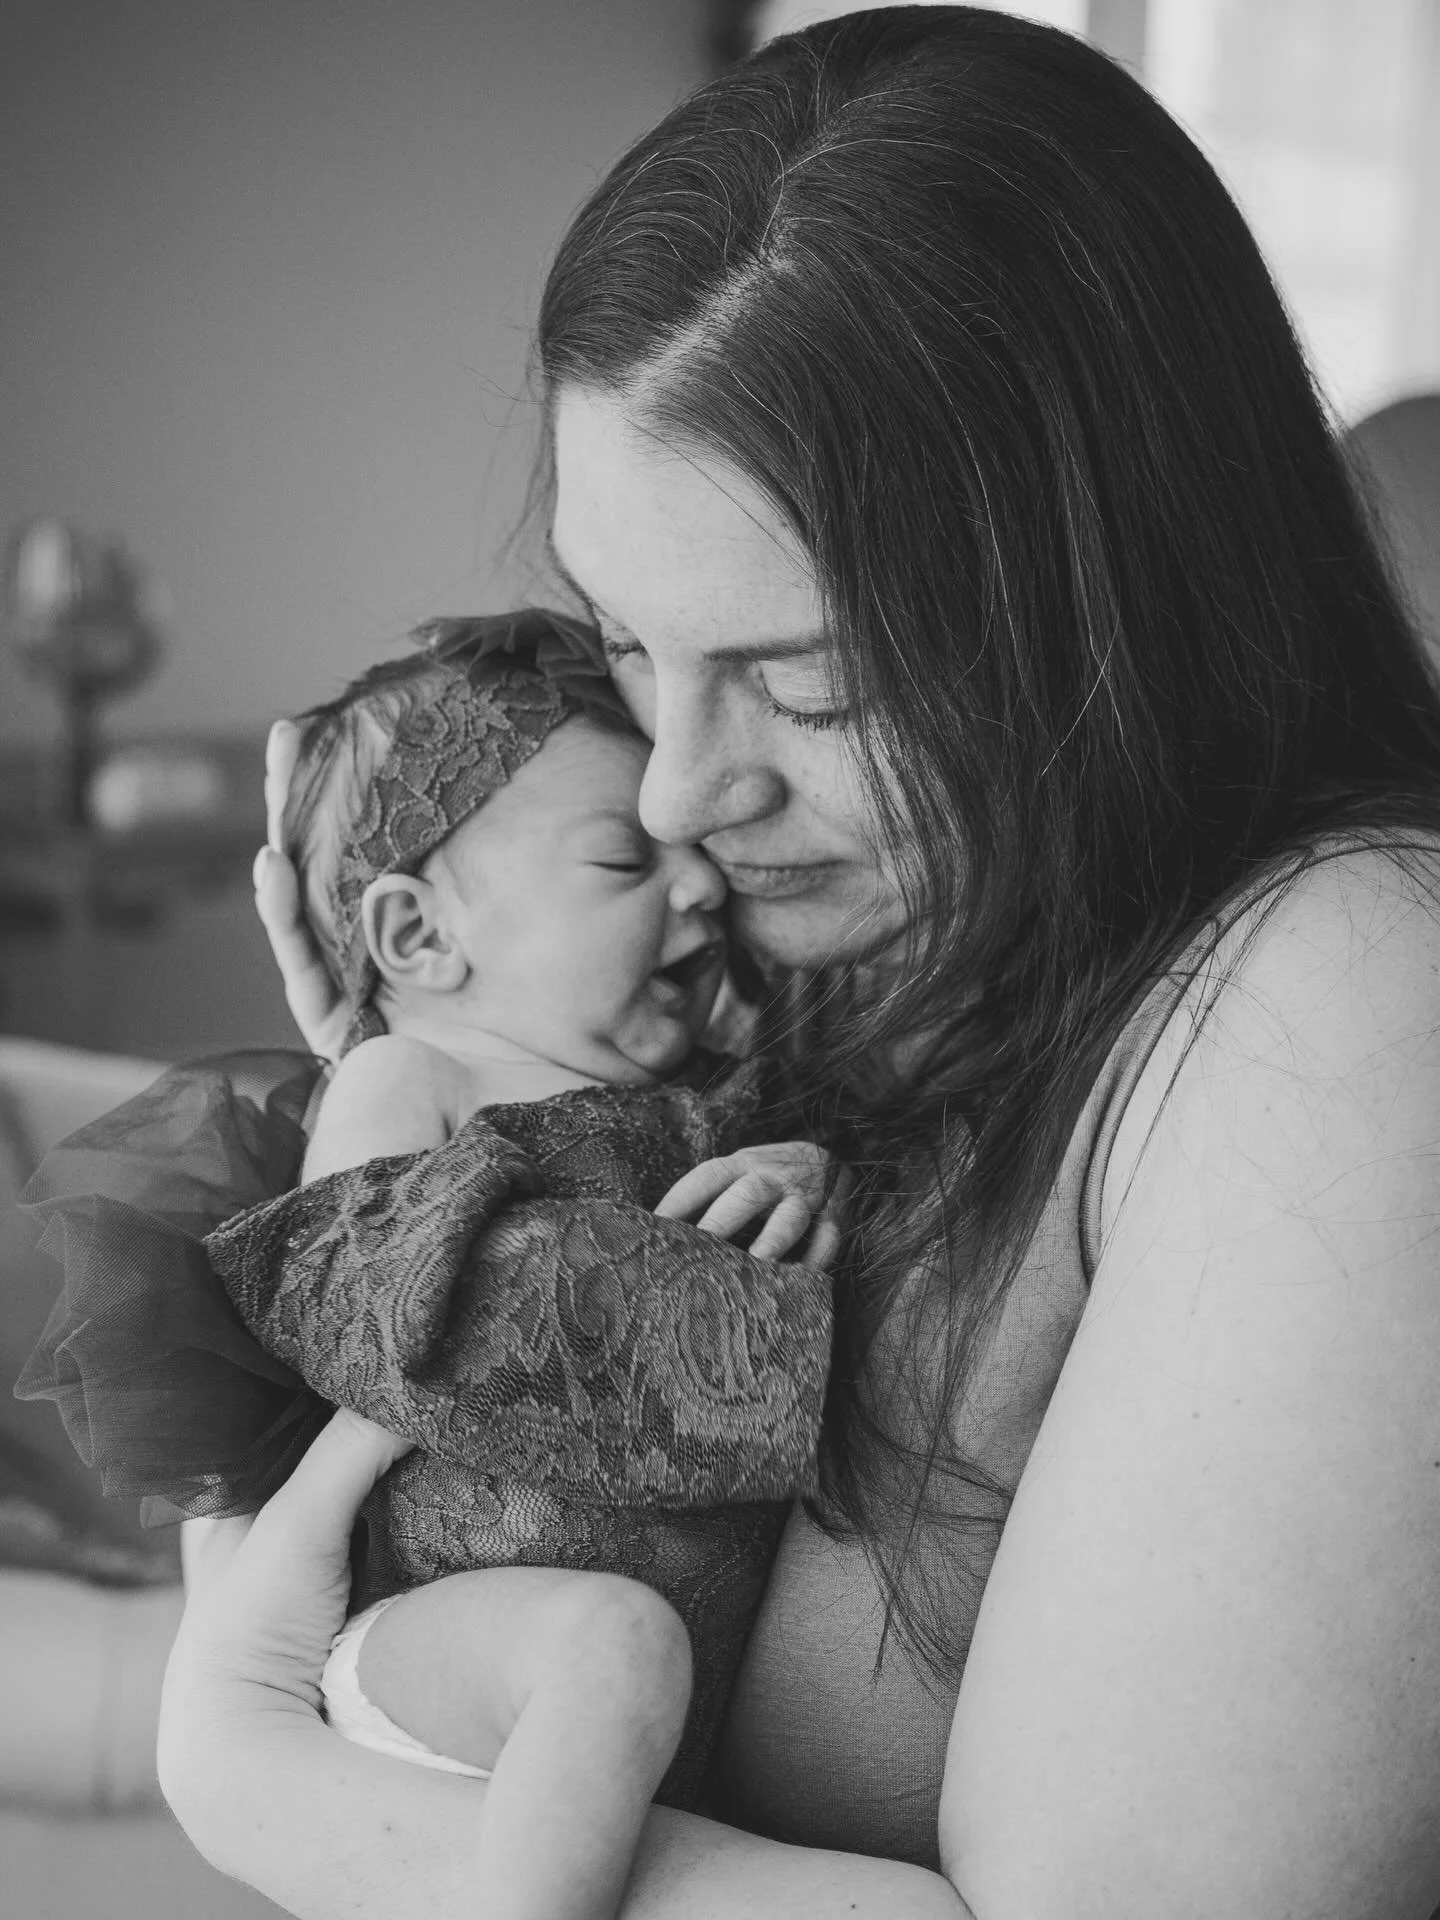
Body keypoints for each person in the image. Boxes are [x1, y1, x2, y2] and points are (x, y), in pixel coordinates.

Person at [152, 8, 1440, 1918]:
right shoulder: (862, 949)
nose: (680, 794)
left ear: (1123, 611)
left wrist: (270, 1783)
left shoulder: (1355, 990)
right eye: (628, 642)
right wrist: (459, 1080)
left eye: (811, 683)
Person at [21, 611, 843, 1920]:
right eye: (624, 859)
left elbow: (824, 1184)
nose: (698, 889)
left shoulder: (703, 1091)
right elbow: (364, 1304)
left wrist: (796, 1176)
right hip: (445, 1636)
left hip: (634, 1697)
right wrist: (717, 1295)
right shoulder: (416, 1076)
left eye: (695, 861)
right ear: (416, 939)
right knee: (613, 1644)